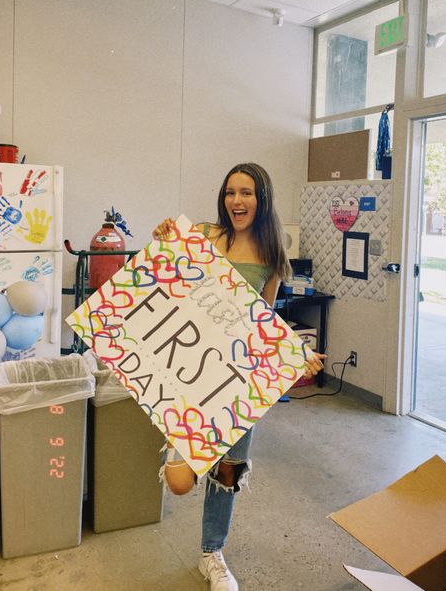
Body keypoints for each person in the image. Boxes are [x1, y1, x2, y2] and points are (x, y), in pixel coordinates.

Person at [153, 163, 325, 591]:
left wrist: (294, 351)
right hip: (195, 369)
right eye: (230, 192)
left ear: (261, 199)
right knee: (177, 481)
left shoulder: (271, 255)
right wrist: (163, 241)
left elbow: (263, 319)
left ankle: (212, 553)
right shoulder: (209, 236)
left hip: (240, 376)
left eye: (246, 193)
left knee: (227, 470)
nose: (236, 201)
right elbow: (169, 280)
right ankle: (198, 462)